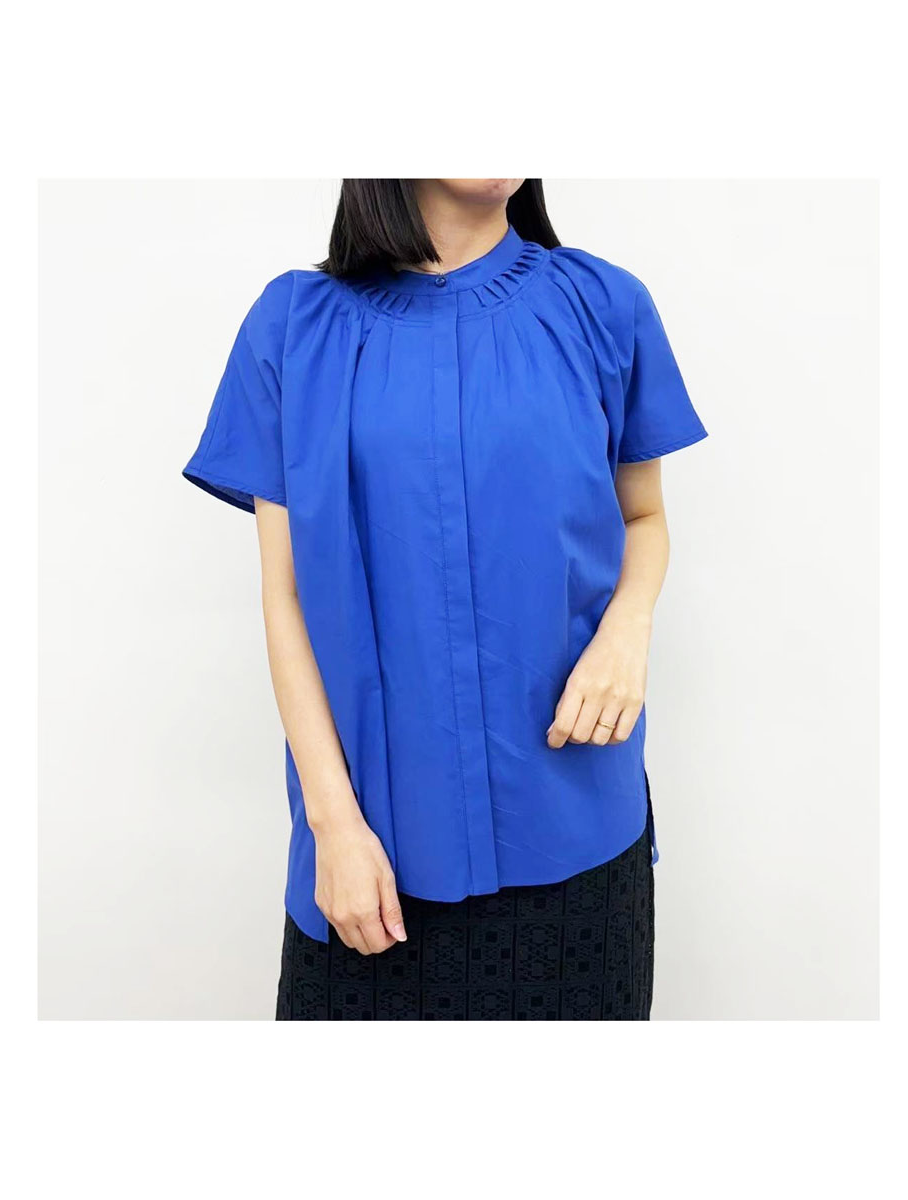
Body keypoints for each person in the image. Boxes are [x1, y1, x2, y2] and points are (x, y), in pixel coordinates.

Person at [183, 179, 707, 1020]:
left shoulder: (603, 305)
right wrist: (333, 828)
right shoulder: (293, 328)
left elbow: (643, 517)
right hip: (373, 858)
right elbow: (287, 597)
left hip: (576, 827)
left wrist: (627, 629)